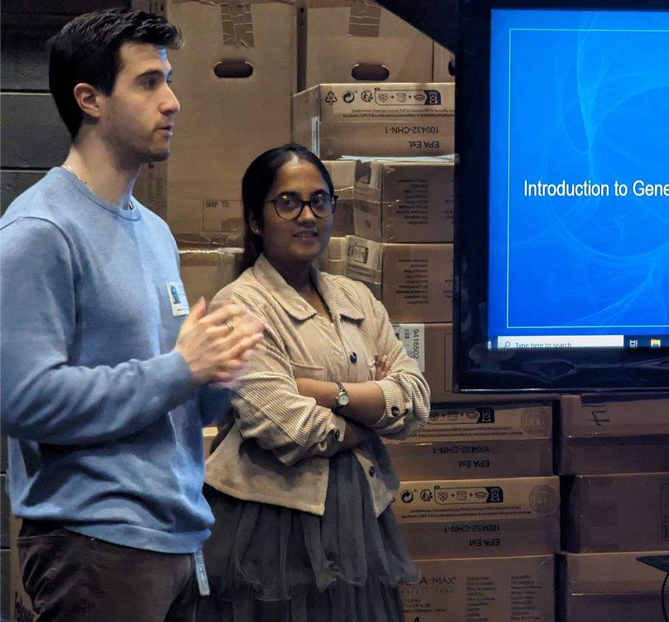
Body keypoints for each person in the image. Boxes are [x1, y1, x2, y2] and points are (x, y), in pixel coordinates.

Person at [0, 9, 264, 622]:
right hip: (94, 548)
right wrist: (180, 368)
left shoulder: (154, 232)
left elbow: (173, 397)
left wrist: (217, 379)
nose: (171, 102)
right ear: (89, 99)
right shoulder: (39, 231)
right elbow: (23, 400)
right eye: (149, 82)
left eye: (168, 80)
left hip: (173, 541)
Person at [198, 143, 431, 622]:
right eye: (288, 202)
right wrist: (371, 418)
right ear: (256, 220)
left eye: (320, 200)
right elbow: (290, 428)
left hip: (364, 515)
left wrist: (327, 393)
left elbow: (414, 398)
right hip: (269, 527)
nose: (308, 215)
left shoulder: (357, 297)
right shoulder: (238, 306)